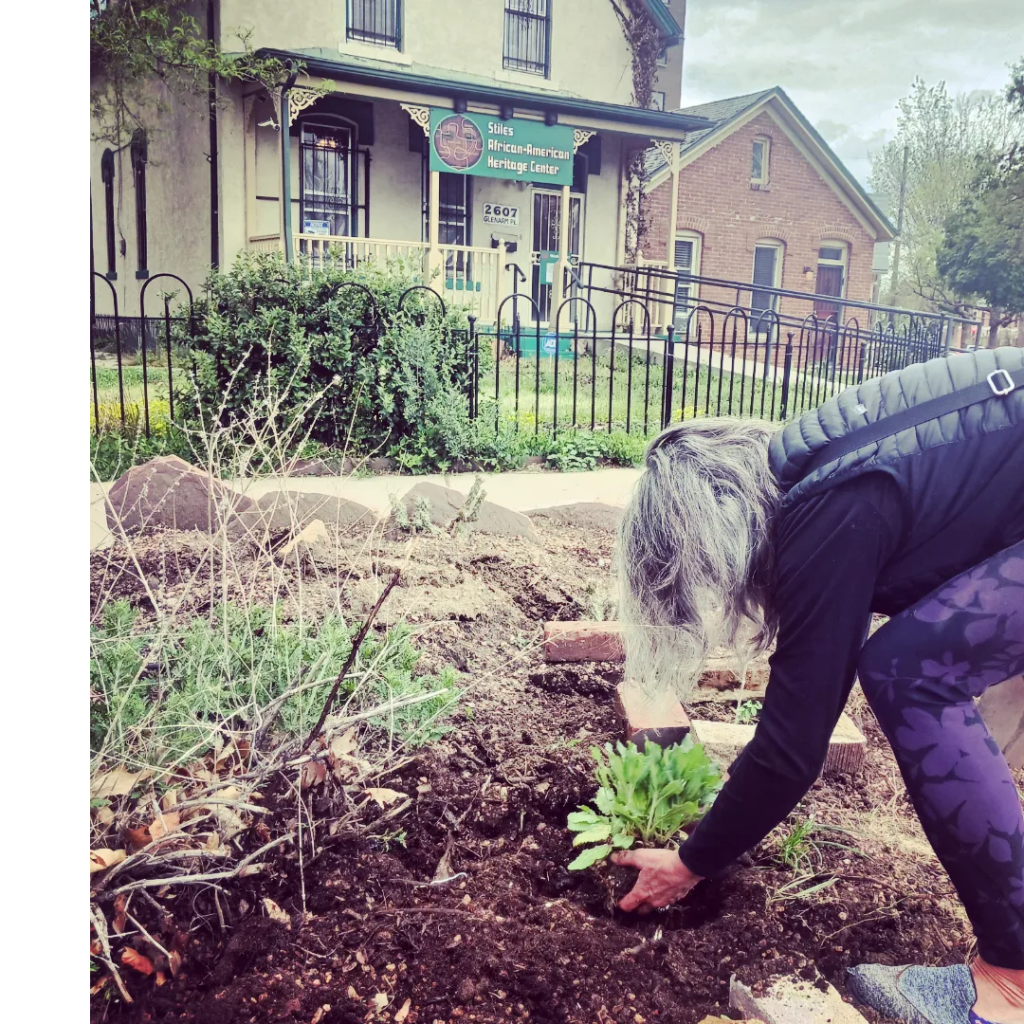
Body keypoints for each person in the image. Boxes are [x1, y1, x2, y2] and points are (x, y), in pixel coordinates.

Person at [612, 347, 1024, 1024]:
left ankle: (1012, 983)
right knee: (933, 649)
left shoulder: (829, 515)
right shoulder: (824, 462)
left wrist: (691, 860)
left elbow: (791, 748)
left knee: (911, 670)